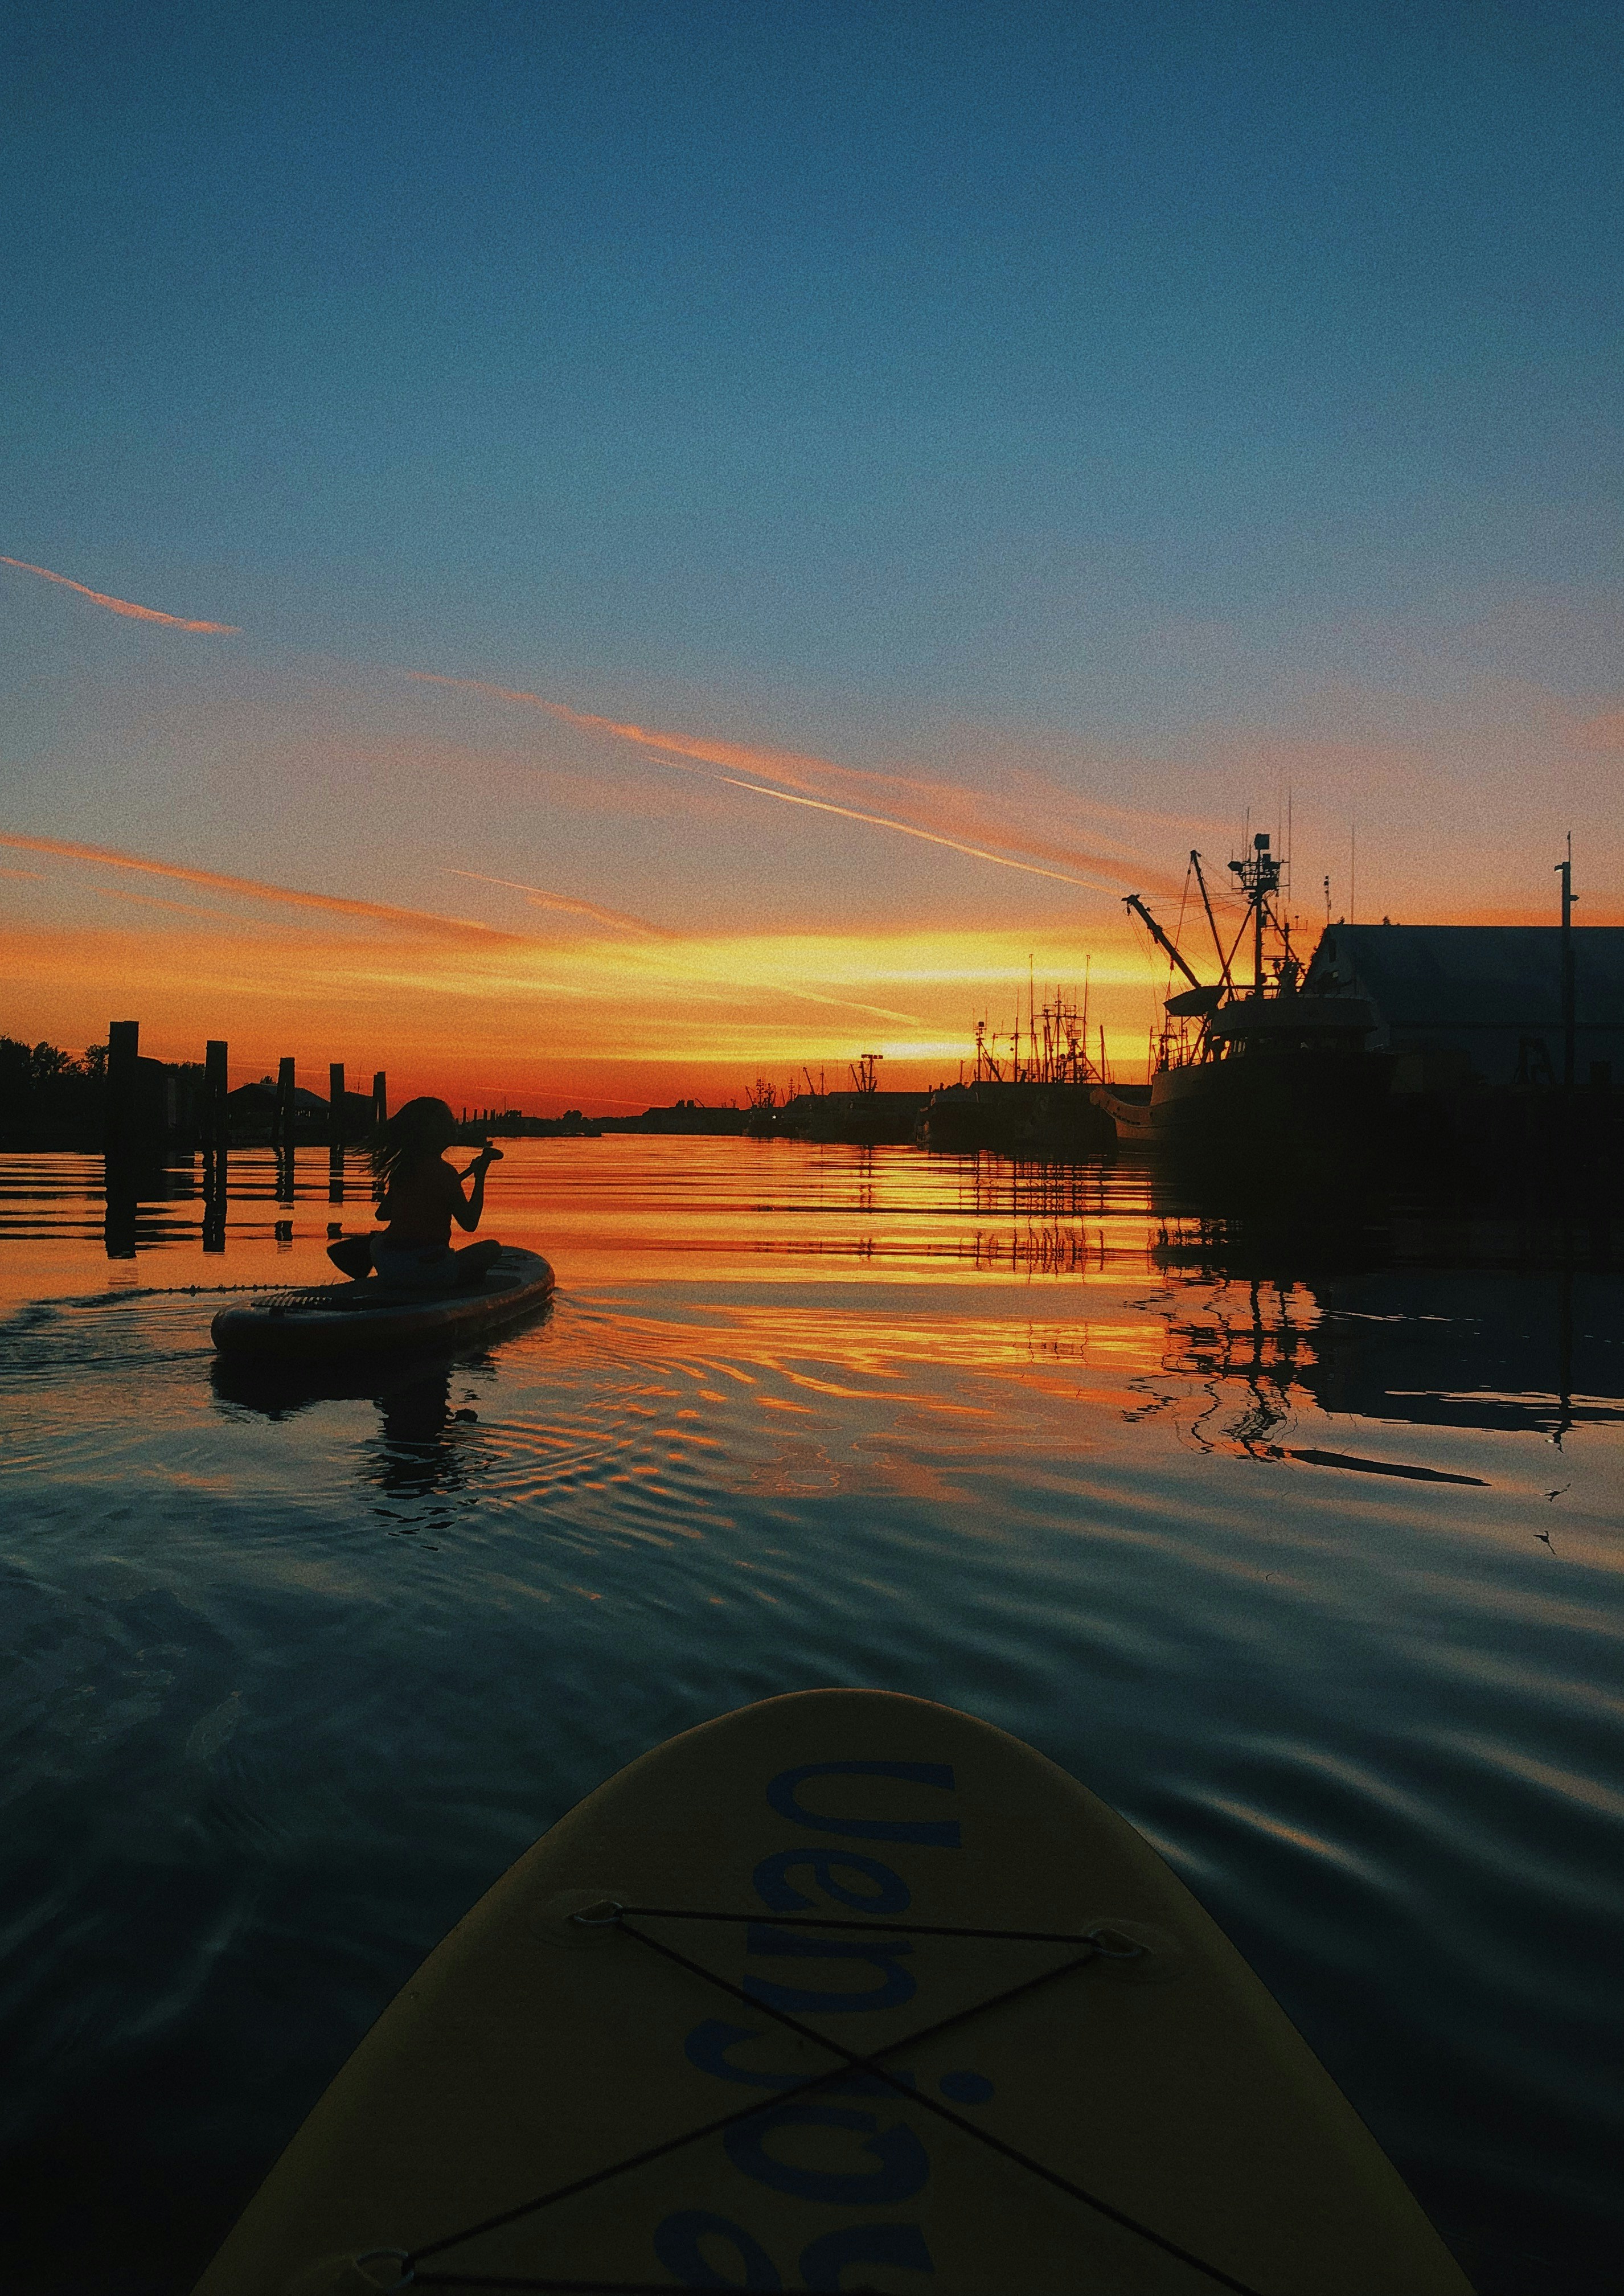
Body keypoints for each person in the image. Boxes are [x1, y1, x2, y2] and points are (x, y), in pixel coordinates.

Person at [326, 1097, 503, 1289]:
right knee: (492, 1249)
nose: (454, 1125)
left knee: (380, 1242)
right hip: (427, 1272)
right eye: (448, 1120)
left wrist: (426, 1198)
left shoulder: (403, 1170)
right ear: (433, 1131)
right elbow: (470, 1223)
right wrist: (480, 1177)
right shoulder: (446, 1173)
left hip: (389, 1267)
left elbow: (383, 1214)